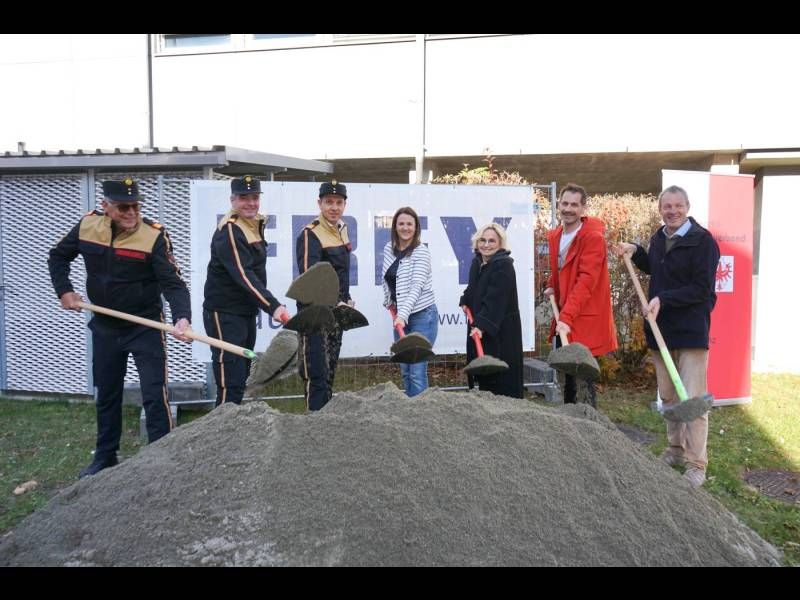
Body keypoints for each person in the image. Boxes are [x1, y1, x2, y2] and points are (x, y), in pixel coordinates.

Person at [48, 177, 192, 479]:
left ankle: (160, 460)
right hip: (105, 326)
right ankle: (105, 456)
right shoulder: (87, 226)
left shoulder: (154, 235)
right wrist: (65, 291)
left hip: (145, 327)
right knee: (107, 393)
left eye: (136, 206)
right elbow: (58, 256)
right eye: (123, 207)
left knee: (154, 395)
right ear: (105, 206)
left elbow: (174, 284)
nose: (131, 213)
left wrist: (182, 318)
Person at [614, 184, 720, 489]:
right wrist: (636, 251)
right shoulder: (659, 237)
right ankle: (675, 449)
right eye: (667, 207)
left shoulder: (703, 241)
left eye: (677, 206)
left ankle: (696, 464)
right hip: (660, 329)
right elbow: (656, 268)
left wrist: (664, 299)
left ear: (687, 207)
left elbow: (702, 289)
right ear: (660, 209)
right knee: (670, 397)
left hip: (690, 331)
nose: (672, 211)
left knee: (692, 399)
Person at [203, 175, 289, 406]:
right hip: (224, 313)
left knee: (241, 377)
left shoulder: (253, 224)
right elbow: (243, 275)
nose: (250, 203)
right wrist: (273, 307)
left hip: (245, 311)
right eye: (244, 198)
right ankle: (223, 426)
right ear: (233, 200)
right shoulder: (230, 230)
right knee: (229, 381)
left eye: (254, 198)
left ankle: (235, 424)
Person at [544, 183, 618, 408]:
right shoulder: (557, 235)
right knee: (566, 376)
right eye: (565, 203)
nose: (568, 209)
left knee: (582, 379)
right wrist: (551, 284)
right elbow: (562, 269)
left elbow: (587, 281)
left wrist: (566, 318)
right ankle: (570, 422)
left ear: (583, 208)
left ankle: (588, 423)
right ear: (559, 205)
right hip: (565, 314)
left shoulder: (592, 237)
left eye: (574, 205)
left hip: (583, 317)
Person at [296, 180, 352, 411]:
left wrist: (346, 299)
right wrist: (336, 300)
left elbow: (340, 273)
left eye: (339, 202)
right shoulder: (310, 234)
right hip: (315, 315)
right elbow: (311, 279)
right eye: (329, 202)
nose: (334, 207)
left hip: (335, 314)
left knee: (329, 373)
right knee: (316, 373)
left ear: (344, 205)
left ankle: (324, 425)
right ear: (319, 203)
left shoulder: (341, 230)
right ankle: (313, 424)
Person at [459, 222, 524, 398]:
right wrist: (465, 300)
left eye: (491, 241)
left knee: (501, 379)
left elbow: (496, 299)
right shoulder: (477, 263)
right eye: (482, 240)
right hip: (481, 328)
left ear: (500, 243)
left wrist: (481, 326)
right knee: (484, 376)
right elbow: (473, 289)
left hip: (501, 333)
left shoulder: (503, 265)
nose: (486, 245)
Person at [381, 207, 438, 396]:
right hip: (400, 316)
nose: (405, 228)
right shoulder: (388, 249)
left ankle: (421, 411)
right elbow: (386, 279)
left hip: (423, 316)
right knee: (405, 369)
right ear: (395, 226)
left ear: (416, 228)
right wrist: (389, 302)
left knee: (416, 372)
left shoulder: (421, 252)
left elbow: (416, 287)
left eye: (409, 224)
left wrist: (402, 315)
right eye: (401, 223)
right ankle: (410, 409)